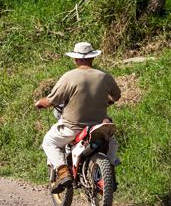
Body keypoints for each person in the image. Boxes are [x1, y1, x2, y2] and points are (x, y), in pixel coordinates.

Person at [35, 42, 121, 193]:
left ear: (76, 59)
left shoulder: (69, 76)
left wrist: (41, 102)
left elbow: (51, 101)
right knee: (112, 144)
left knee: (49, 142)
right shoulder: (104, 76)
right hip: (99, 127)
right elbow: (116, 96)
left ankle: (63, 173)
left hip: (72, 128)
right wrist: (107, 99)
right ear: (92, 58)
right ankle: (110, 175)